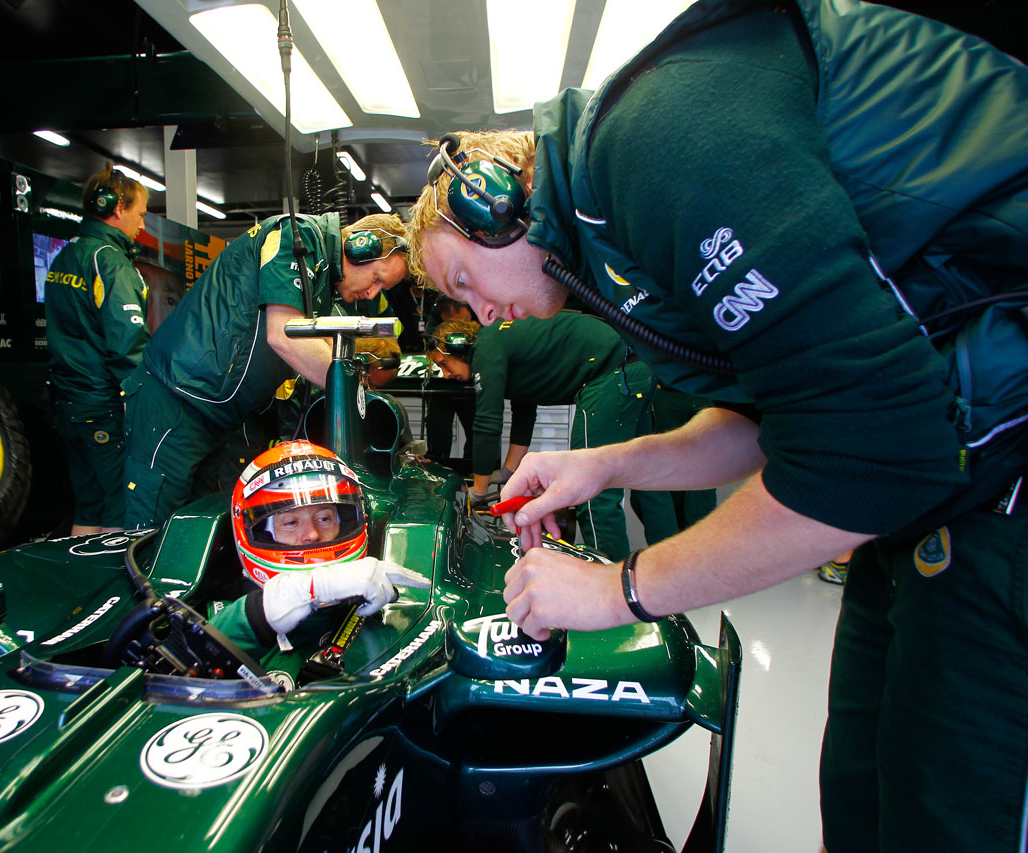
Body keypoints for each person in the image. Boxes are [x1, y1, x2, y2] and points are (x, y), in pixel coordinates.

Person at [404, 2, 1028, 850]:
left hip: (1003, 472)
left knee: (950, 817)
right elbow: (774, 416)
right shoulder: (613, 247)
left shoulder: (653, 136)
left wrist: (621, 589)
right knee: (862, 798)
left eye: (463, 281)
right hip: (946, 486)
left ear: (495, 203)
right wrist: (607, 463)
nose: (483, 317)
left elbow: (872, 452)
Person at [123, 212, 409, 529]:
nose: (372, 294)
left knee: (187, 530)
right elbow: (284, 334)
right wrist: (358, 403)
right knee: (149, 533)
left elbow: (320, 351)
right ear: (359, 247)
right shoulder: (297, 235)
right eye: (378, 279)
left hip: (215, 415)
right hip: (175, 400)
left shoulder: (323, 281)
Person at [428, 313, 682, 558]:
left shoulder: (486, 348)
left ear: (458, 346)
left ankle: (611, 580)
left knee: (594, 495)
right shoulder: (501, 341)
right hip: (635, 369)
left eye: (444, 364)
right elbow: (525, 410)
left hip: (610, 376)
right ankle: (671, 566)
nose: (447, 375)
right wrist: (508, 471)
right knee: (647, 478)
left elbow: (487, 422)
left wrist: (479, 491)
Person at [209, 441, 428, 675]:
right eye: (291, 522)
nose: (312, 534)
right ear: (260, 533)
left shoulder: (380, 603)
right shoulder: (226, 617)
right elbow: (188, 661)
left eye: (324, 518)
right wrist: (268, 608)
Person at [45, 163, 150, 535]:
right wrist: (146, 401)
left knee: (88, 503)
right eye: (139, 213)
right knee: (118, 507)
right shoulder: (109, 262)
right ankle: (111, 591)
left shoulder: (65, 256)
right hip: (102, 406)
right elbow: (127, 345)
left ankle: (79, 582)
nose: (142, 224)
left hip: (67, 404)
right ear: (116, 208)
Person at [423, 296, 476, 464]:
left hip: (472, 383)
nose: (457, 331)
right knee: (437, 432)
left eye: (462, 324)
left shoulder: (481, 304)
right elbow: (432, 345)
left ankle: (474, 473)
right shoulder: (437, 310)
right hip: (442, 387)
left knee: (478, 431)